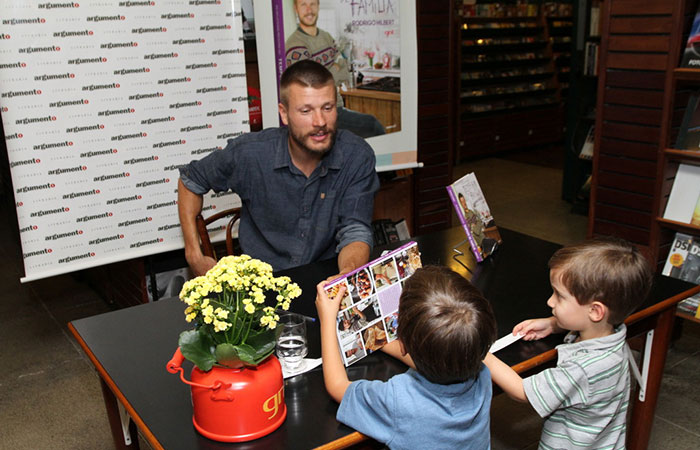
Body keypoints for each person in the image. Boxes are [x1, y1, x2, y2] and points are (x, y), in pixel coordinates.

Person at [178, 59, 379, 275]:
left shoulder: (356, 155)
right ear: (284, 114)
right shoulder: (250, 153)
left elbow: (355, 229)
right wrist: (194, 255)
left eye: (327, 108)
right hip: (260, 283)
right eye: (306, 111)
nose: (320, 121)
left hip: (324, 275)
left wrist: (345, 277)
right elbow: (191, 181)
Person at [483, 237, 653, 449]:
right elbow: (590, 323)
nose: (550, 301)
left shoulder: (583, 368)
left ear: (595, 311)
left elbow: (521, 391)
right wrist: (554, 324)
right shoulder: (613, 334)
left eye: (559, 296)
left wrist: (483, 353)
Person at [316, 265, 498, 449]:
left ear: (402, 343)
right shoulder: (481, 372)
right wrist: (377, 340)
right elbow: (437, 357)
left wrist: (327, 320)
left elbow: (337, 386)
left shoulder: (397, 400)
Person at [285, 0, 385, 138]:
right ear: (296, 8)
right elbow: (311, 87)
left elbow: (343, 68)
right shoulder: (296, 45)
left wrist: (329, 72)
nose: (309, 10)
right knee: (372, 126)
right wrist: (333, 69)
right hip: (318, 115)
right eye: (304, 5)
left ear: (318, 6)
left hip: (336, 107)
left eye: (313, 4)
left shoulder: (326, 36)